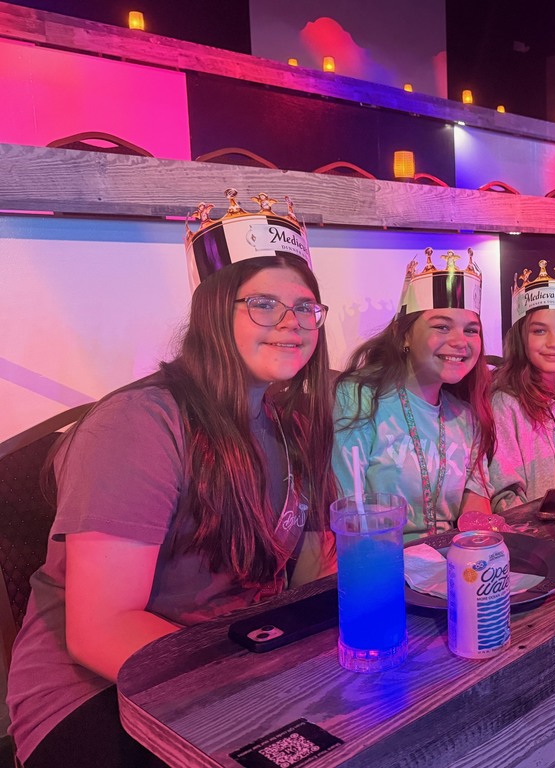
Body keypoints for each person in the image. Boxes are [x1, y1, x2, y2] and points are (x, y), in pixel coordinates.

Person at [6, 192, 336, 768]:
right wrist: (259, 679)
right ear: (212, 312)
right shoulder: (140, 424)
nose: (291, 323)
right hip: (99, 691)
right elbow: (101, 631)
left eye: (306, 307)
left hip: (235, 661)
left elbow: (308, 574)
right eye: (263, 304)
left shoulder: (293, 426)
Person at [332, 248, 494, 538]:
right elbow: (345, 509)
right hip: (381, 560)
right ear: (403, 334)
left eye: (471, 330)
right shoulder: (357, 398)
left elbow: (477, 500)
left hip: (449, 561)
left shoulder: (467, 415)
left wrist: (477, 551)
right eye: (442, 326)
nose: (460, 342)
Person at [462, 260, 555, 513]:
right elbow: (504, 497)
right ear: (520, 338)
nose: (554, 342)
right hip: (535, 537)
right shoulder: (505, 403)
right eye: (539, 331)